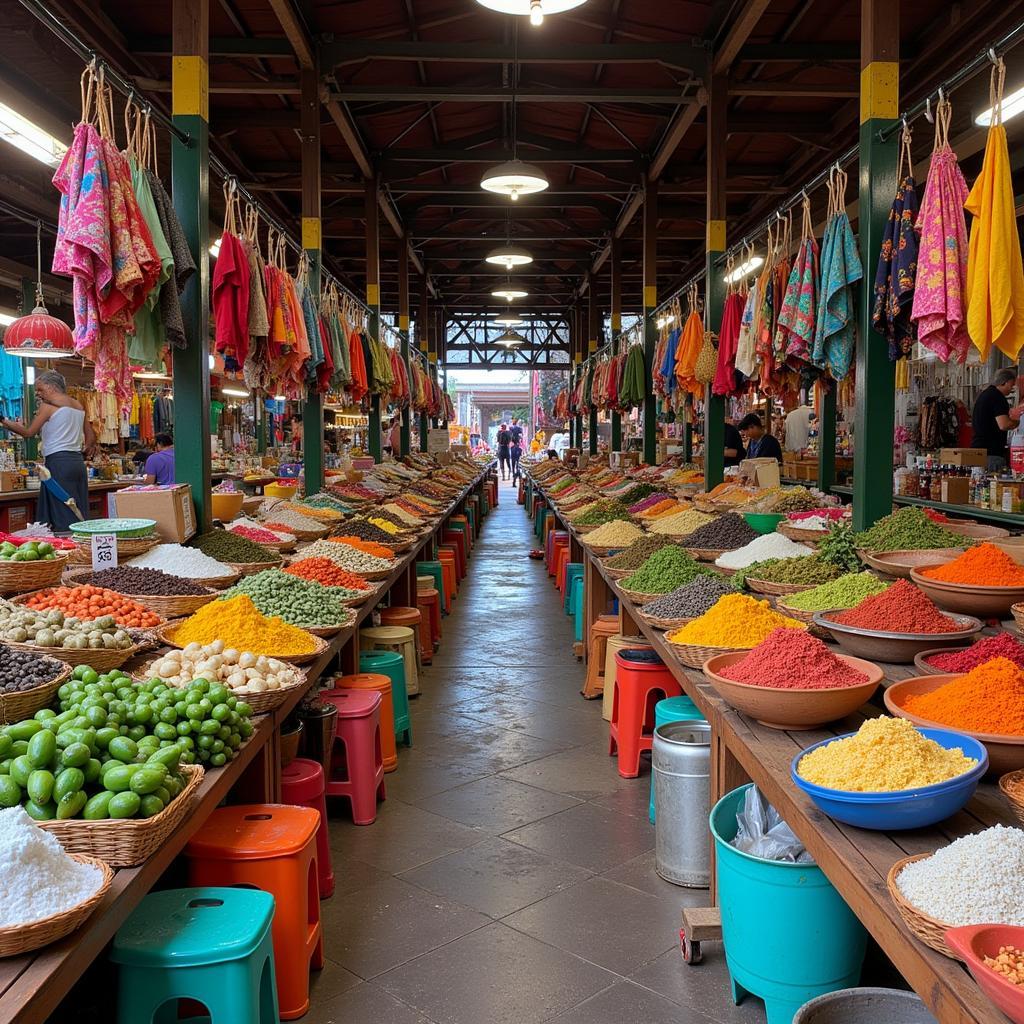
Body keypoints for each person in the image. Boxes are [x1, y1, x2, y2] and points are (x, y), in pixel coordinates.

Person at [1, 370, 93, 531]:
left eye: (40, 389)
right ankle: (80, 545)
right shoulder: (78, 405)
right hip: (77, 463)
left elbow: (29, 433)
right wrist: (83, 450)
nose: (38, 394)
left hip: (58, 462)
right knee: (76, 508)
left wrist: (3, 420)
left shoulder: (48, 406)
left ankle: (66, 548)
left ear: (51, 387)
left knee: (61, 508)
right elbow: (91, 437)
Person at [971, 368, 1024, 470]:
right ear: (1005, 382)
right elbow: (1004, 424)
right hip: (991, 454)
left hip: (977, 451)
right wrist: (1018, 422)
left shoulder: (985, 394)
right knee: (993, 485)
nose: (1012, 388)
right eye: (1012, 384)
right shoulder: (997, 397)